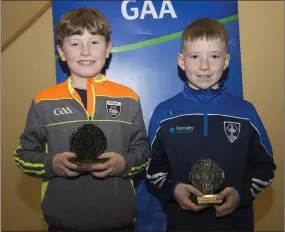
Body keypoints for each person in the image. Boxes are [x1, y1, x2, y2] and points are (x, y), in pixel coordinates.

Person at [14, 7, 150, 232]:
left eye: (94, 42)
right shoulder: (43, 100)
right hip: (62, 225)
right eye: (75, 43)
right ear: (62, 52)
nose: (85, 51)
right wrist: (52, 163)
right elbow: (22, 156)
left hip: (118, 224)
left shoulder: (128, 98)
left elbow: (143, 152)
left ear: (108, 49)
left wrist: (124, 164)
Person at [145, 18, 276, 231]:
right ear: (182, 61)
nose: (204, 66)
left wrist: (240, 193)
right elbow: (152, 169)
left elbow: (264, 168)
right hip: (181, 224)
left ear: (225, 61)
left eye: (213, 56)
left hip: (235, 225)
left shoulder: (245, 111)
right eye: (195, 56)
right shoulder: (163, 113)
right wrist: (173, 189)